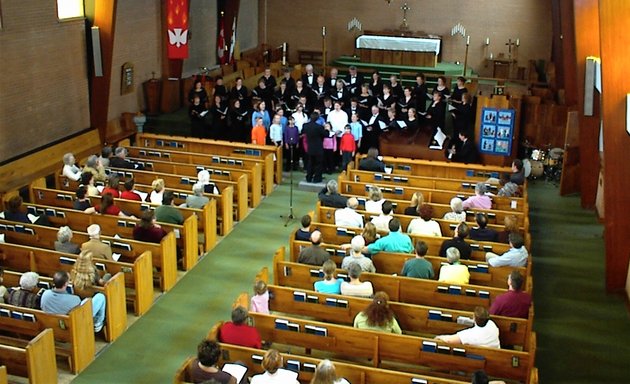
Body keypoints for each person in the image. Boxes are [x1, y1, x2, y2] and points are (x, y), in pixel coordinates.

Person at [41, 270, 106, 333]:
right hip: (74, 326)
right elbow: (80, 313)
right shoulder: (74, 299)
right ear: (66, 284)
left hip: (52, 325)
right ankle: (97, 324)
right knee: (100, 297)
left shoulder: (45, 294)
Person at [435, 306, 500, 349]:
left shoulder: (470, 334)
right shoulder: (492, 324)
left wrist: (439, 337)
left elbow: (449, 340)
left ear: (474, 318)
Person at [302, 112, 328, 183]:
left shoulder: (305, 126)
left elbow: (303, 132)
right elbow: (326, 135)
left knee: (310, 163)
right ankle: (317, 178)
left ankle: (309, 178)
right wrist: (327, 129)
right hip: (318, 148)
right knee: (318, 164)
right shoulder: (319, 127)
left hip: (310, 147)